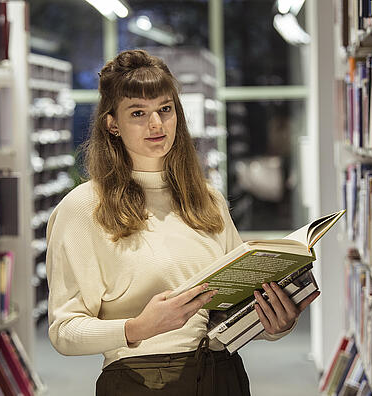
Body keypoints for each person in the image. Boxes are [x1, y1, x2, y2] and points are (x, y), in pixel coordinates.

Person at [45, 49, 320, 396]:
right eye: (138, 113)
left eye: (165, 109)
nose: (156, 124)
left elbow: (233, 309)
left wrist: (274, 323)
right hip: (141, 382)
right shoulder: (83, 207)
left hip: (224, 374)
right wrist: (138, 327)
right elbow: (65, 331)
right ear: (112, 124)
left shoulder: (207, 199)